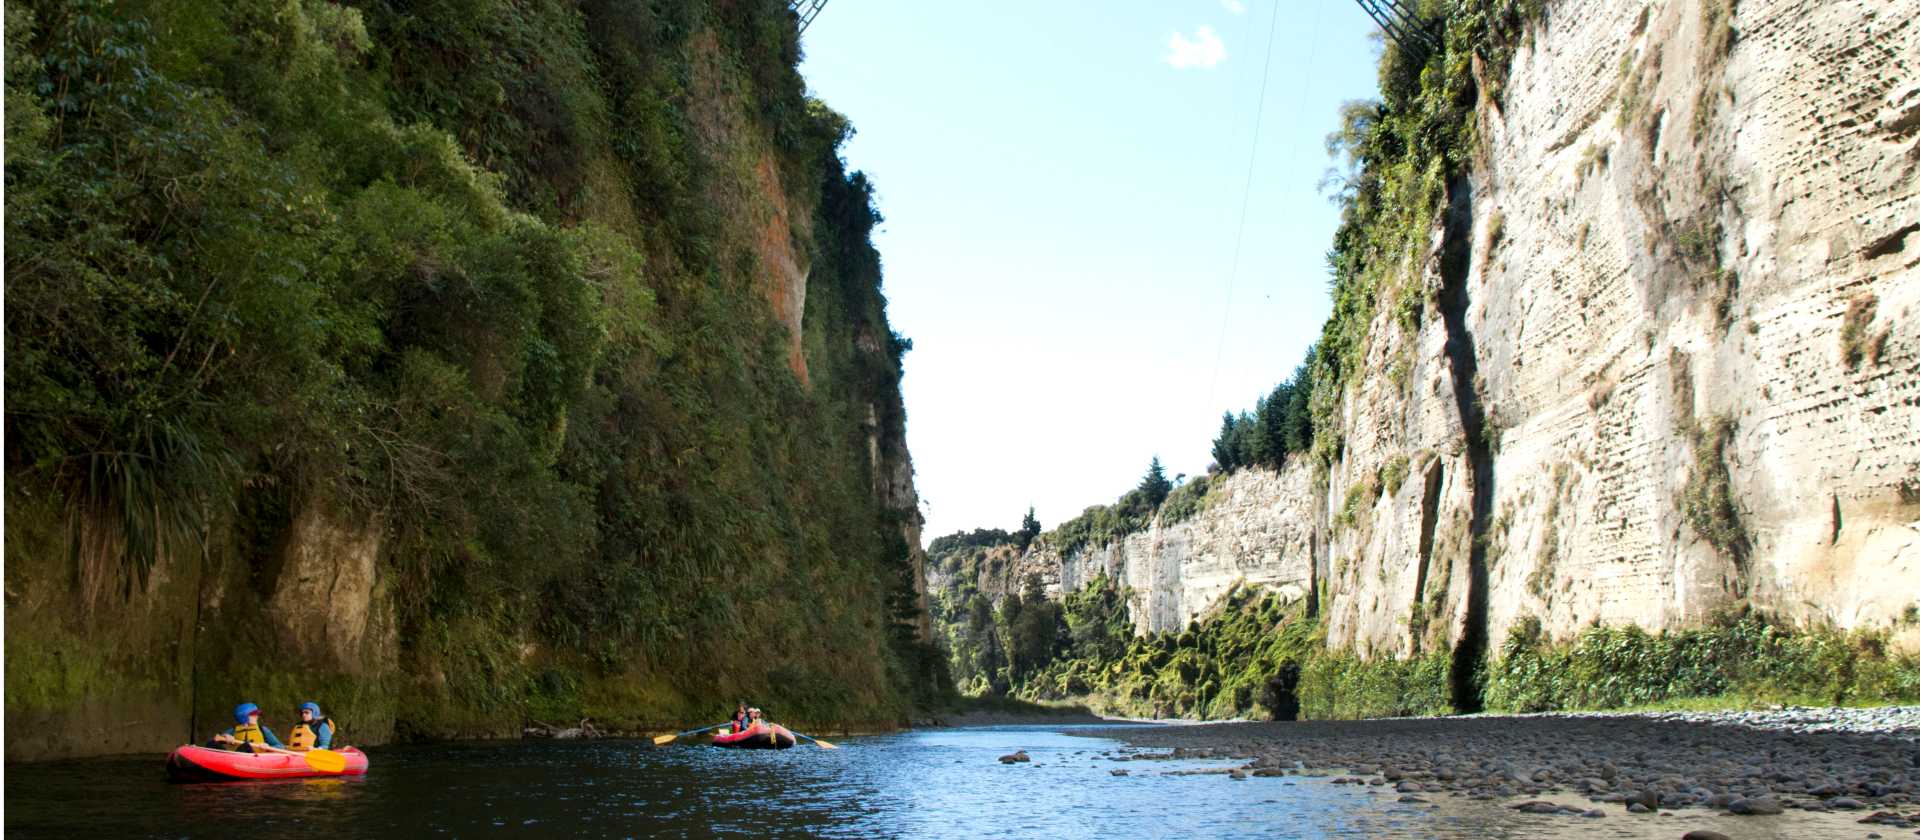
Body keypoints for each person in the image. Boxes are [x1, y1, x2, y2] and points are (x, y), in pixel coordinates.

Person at [209, 702, 284, 752]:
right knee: (211, 743)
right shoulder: (234, 730)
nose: (257, 716)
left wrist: (268, 747)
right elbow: (217, 739)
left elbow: (280, 746)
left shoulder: (263, 730)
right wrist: (225, 736)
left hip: (256, 758)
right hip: (237, 757)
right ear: (243, 717)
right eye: (254, 714)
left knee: (246, 746)